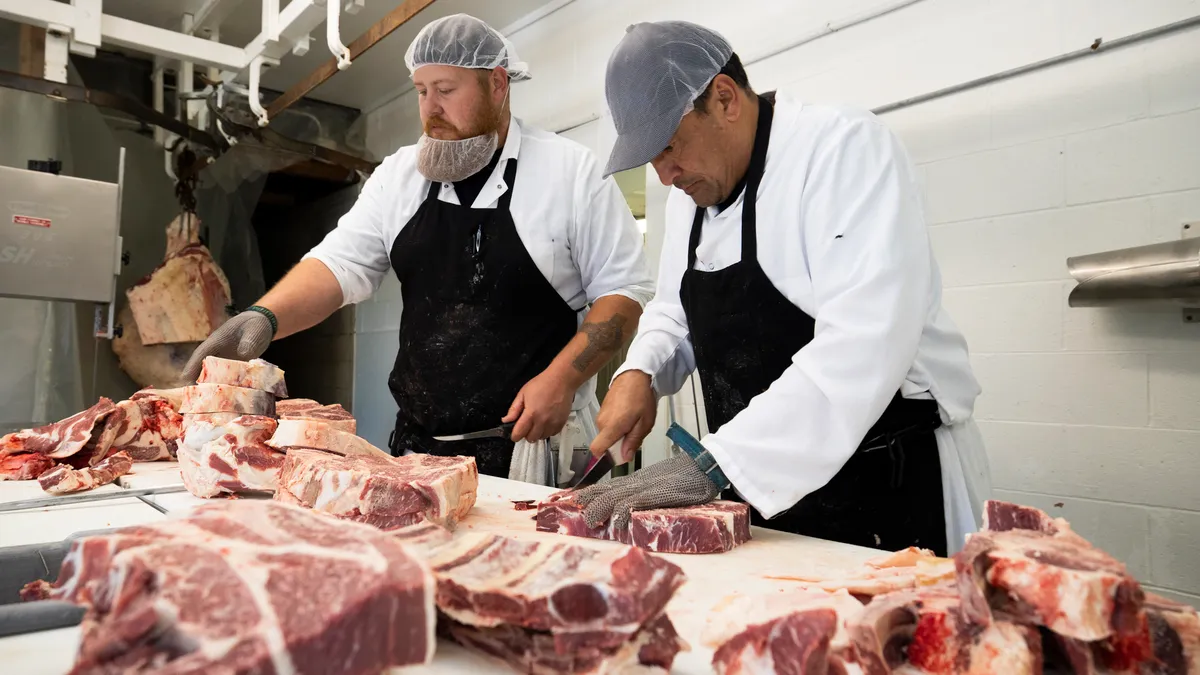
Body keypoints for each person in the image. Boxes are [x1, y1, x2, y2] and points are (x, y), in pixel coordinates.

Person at [575, 20, 991, 556]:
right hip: (770, 487)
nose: (664, 175)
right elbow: (675, 307)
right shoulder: (695, 189)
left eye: (669, 147)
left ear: (724, 98)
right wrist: (642, 372)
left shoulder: (840, 150)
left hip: (887, 481)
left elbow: (864, 342)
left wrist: (713, 464)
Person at [182, 14, 654, 480]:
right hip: (417, 452)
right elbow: (339, 264)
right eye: (422, 91)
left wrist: (564, 379)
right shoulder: (399, 175)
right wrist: (263, 318)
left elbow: (624, 290)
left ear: (497, 85)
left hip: (529, 451)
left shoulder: (569, 173)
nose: (430, 108)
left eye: (446, 90)